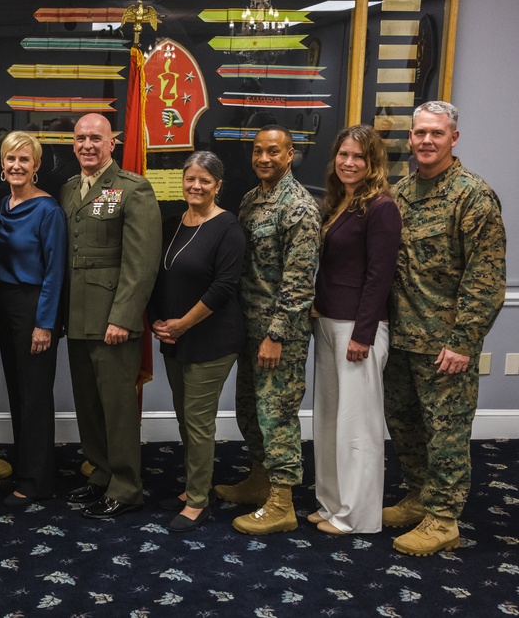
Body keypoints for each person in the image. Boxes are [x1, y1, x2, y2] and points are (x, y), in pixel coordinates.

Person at [383, 101, 506, 556]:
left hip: (445, 343)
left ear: (454, 138)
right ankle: (418, 495)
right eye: (419, 133)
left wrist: (464, 342)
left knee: (446, 431)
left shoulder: (473, 195)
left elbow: (485, 277)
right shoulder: (401, 192)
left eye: (436, 133)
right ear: (410, 138)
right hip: (401, 338)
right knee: (405, 423)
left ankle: (444, 519)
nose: (426, 141)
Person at [215, 124, 320, 535]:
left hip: (280, 335)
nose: (263, 158)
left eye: (273, 151)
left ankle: (282, 502)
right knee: (250, 410)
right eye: (258, 151)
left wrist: (276, 335)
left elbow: (298, 282)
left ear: (290, 154)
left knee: (277, 416)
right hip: (249, 328)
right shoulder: (250, 200)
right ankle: (259, 479)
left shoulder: (298, 207)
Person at [61, 113, 161, 519]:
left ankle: (126, 485)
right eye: (81, 138)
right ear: (73, 143)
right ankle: (101, 474)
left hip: (113, 322)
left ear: (112, 143)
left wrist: (123, 316)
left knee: (118, 408)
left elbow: (142, 262)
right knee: (88, 404)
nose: (87, 145)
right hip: (78, 318)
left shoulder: (132, 189)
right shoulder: (69, 189)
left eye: (96, 139)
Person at [309, 125, 401, 535]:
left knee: (357, 427)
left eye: (358, 157)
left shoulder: (381, 207)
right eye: (343, 154)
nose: (349, 163)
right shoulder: (338, 202)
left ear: (374, 163)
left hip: (357, 329)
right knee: (328, 422)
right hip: (327, 322)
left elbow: (380, 275)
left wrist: (363, 333)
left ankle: (356, 517)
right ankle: (331, 503)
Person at [149, 152, 245, 532]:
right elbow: (158, 275)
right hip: (174, 336)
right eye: (190, 178)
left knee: (199, 420)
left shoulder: (229, 228)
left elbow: (224, 288)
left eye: (205, 180)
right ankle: (194, 487)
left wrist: (182, 324)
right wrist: (157, 320)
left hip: (212, 338)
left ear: (218, 186)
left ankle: (199, 502)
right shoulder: (173, 223)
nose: (196, 186)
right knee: (184, 418)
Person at [0, 131, 67, 506]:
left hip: (35, 306)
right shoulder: (3, 204)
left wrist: (44, 323)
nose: (17, 166)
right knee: (18, 393)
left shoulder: (48, 210)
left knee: (35, 397)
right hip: (6, 308)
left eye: (24, 160)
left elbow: (55, 272)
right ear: (2, 165)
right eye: (10, 159)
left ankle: (37, 482)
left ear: (36, 166)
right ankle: (25, 470)